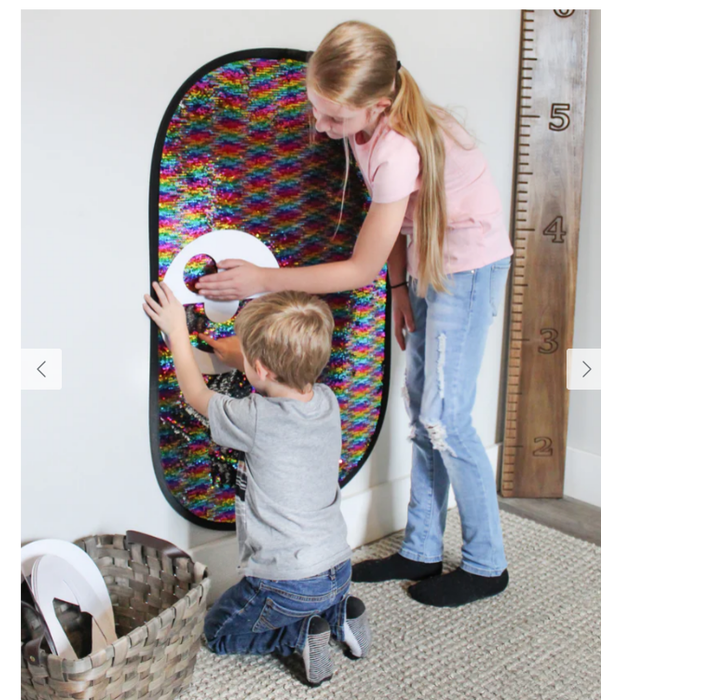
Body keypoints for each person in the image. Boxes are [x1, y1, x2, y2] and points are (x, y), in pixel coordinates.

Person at [196, 20, 514, 609]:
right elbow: (391, 230)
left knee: (447, 418)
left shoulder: (397, 148)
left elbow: (356, 268)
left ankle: (487, 561)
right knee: (422, 413)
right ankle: (420, 546)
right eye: (316, 111)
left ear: (379, 105)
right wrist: (400, 287)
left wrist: (264, 279)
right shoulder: (364, 128)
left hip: (466, 268)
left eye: (334, 119)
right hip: (425, 260)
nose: (321, 127)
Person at [143, 283, 372, 687]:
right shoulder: (327, 401)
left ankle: (297, 635)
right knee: (323, 598)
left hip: (287, 580)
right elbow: (277, 372)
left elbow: (196, 393)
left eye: (246, 357)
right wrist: (248, 355)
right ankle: (343, 617)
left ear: (261, 369)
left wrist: (178, 331)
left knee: (218, 632)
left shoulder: (256, 418)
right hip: (337, 567)